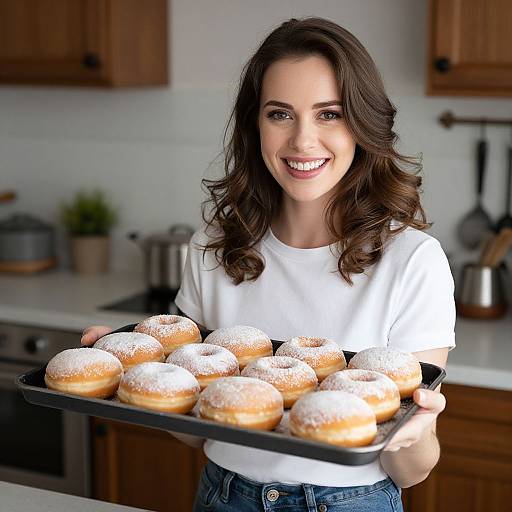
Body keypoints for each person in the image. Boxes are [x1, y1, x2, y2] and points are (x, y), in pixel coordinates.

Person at [82, 17, 455, 512]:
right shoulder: (213, 248)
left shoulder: (412, 262)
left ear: (363, 124)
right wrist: (143, 378)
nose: (303, 141)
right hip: (223, 494)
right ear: (254, 123)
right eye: (280, 114)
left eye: (329, 114)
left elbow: (409, 473)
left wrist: (418, 433)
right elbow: (200, 433)